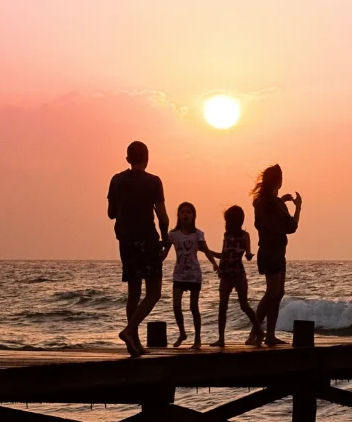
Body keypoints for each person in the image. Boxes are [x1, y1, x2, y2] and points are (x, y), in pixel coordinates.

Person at [107, 141, 169, 357]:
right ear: (147, 157)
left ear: (127, 159)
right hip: (147, 240)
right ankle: (130, 330)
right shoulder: (153, 181)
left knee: (133, 291)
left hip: (125, 241)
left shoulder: (116, 180)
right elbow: (163, 216)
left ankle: (134, 343)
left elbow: (110, 213)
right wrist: (165, 239)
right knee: (154, 292)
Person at [248, 164, 301, 346]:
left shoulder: (261, 202)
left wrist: (282, 201)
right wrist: (298, 208)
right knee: (273, 293)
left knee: (277, 293)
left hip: (266, 250)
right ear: (278, 181)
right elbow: (291, 227)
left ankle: (268, 334)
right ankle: (255, 333)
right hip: (275, 251)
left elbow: (269, 217)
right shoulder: (274, 204)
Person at [162, 202, 218, 348]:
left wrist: (214, 263)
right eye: (182, 212)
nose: (185, 214)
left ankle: (197, 339)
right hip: (179, 274)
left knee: (194, 307)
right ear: (178, 216)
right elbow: (164, 253)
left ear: (193, 215)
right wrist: (155, 261)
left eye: (188, 212)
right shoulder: (173, 234)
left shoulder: (198, 234)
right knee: (176, 305)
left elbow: (205, 250)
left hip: (194, 274)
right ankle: (182, 333)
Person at [211, 205, 261, 347]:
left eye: (229, 221)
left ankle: (259, 331)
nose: (227, 224)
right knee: (222, 307)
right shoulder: (226, 236)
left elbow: (248, 254)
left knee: (244, 305)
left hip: (239, 274)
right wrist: (208, 252)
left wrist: (249, 254)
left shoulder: (244, 236)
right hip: (225, 276)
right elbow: (224, 255)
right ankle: (221, 338)